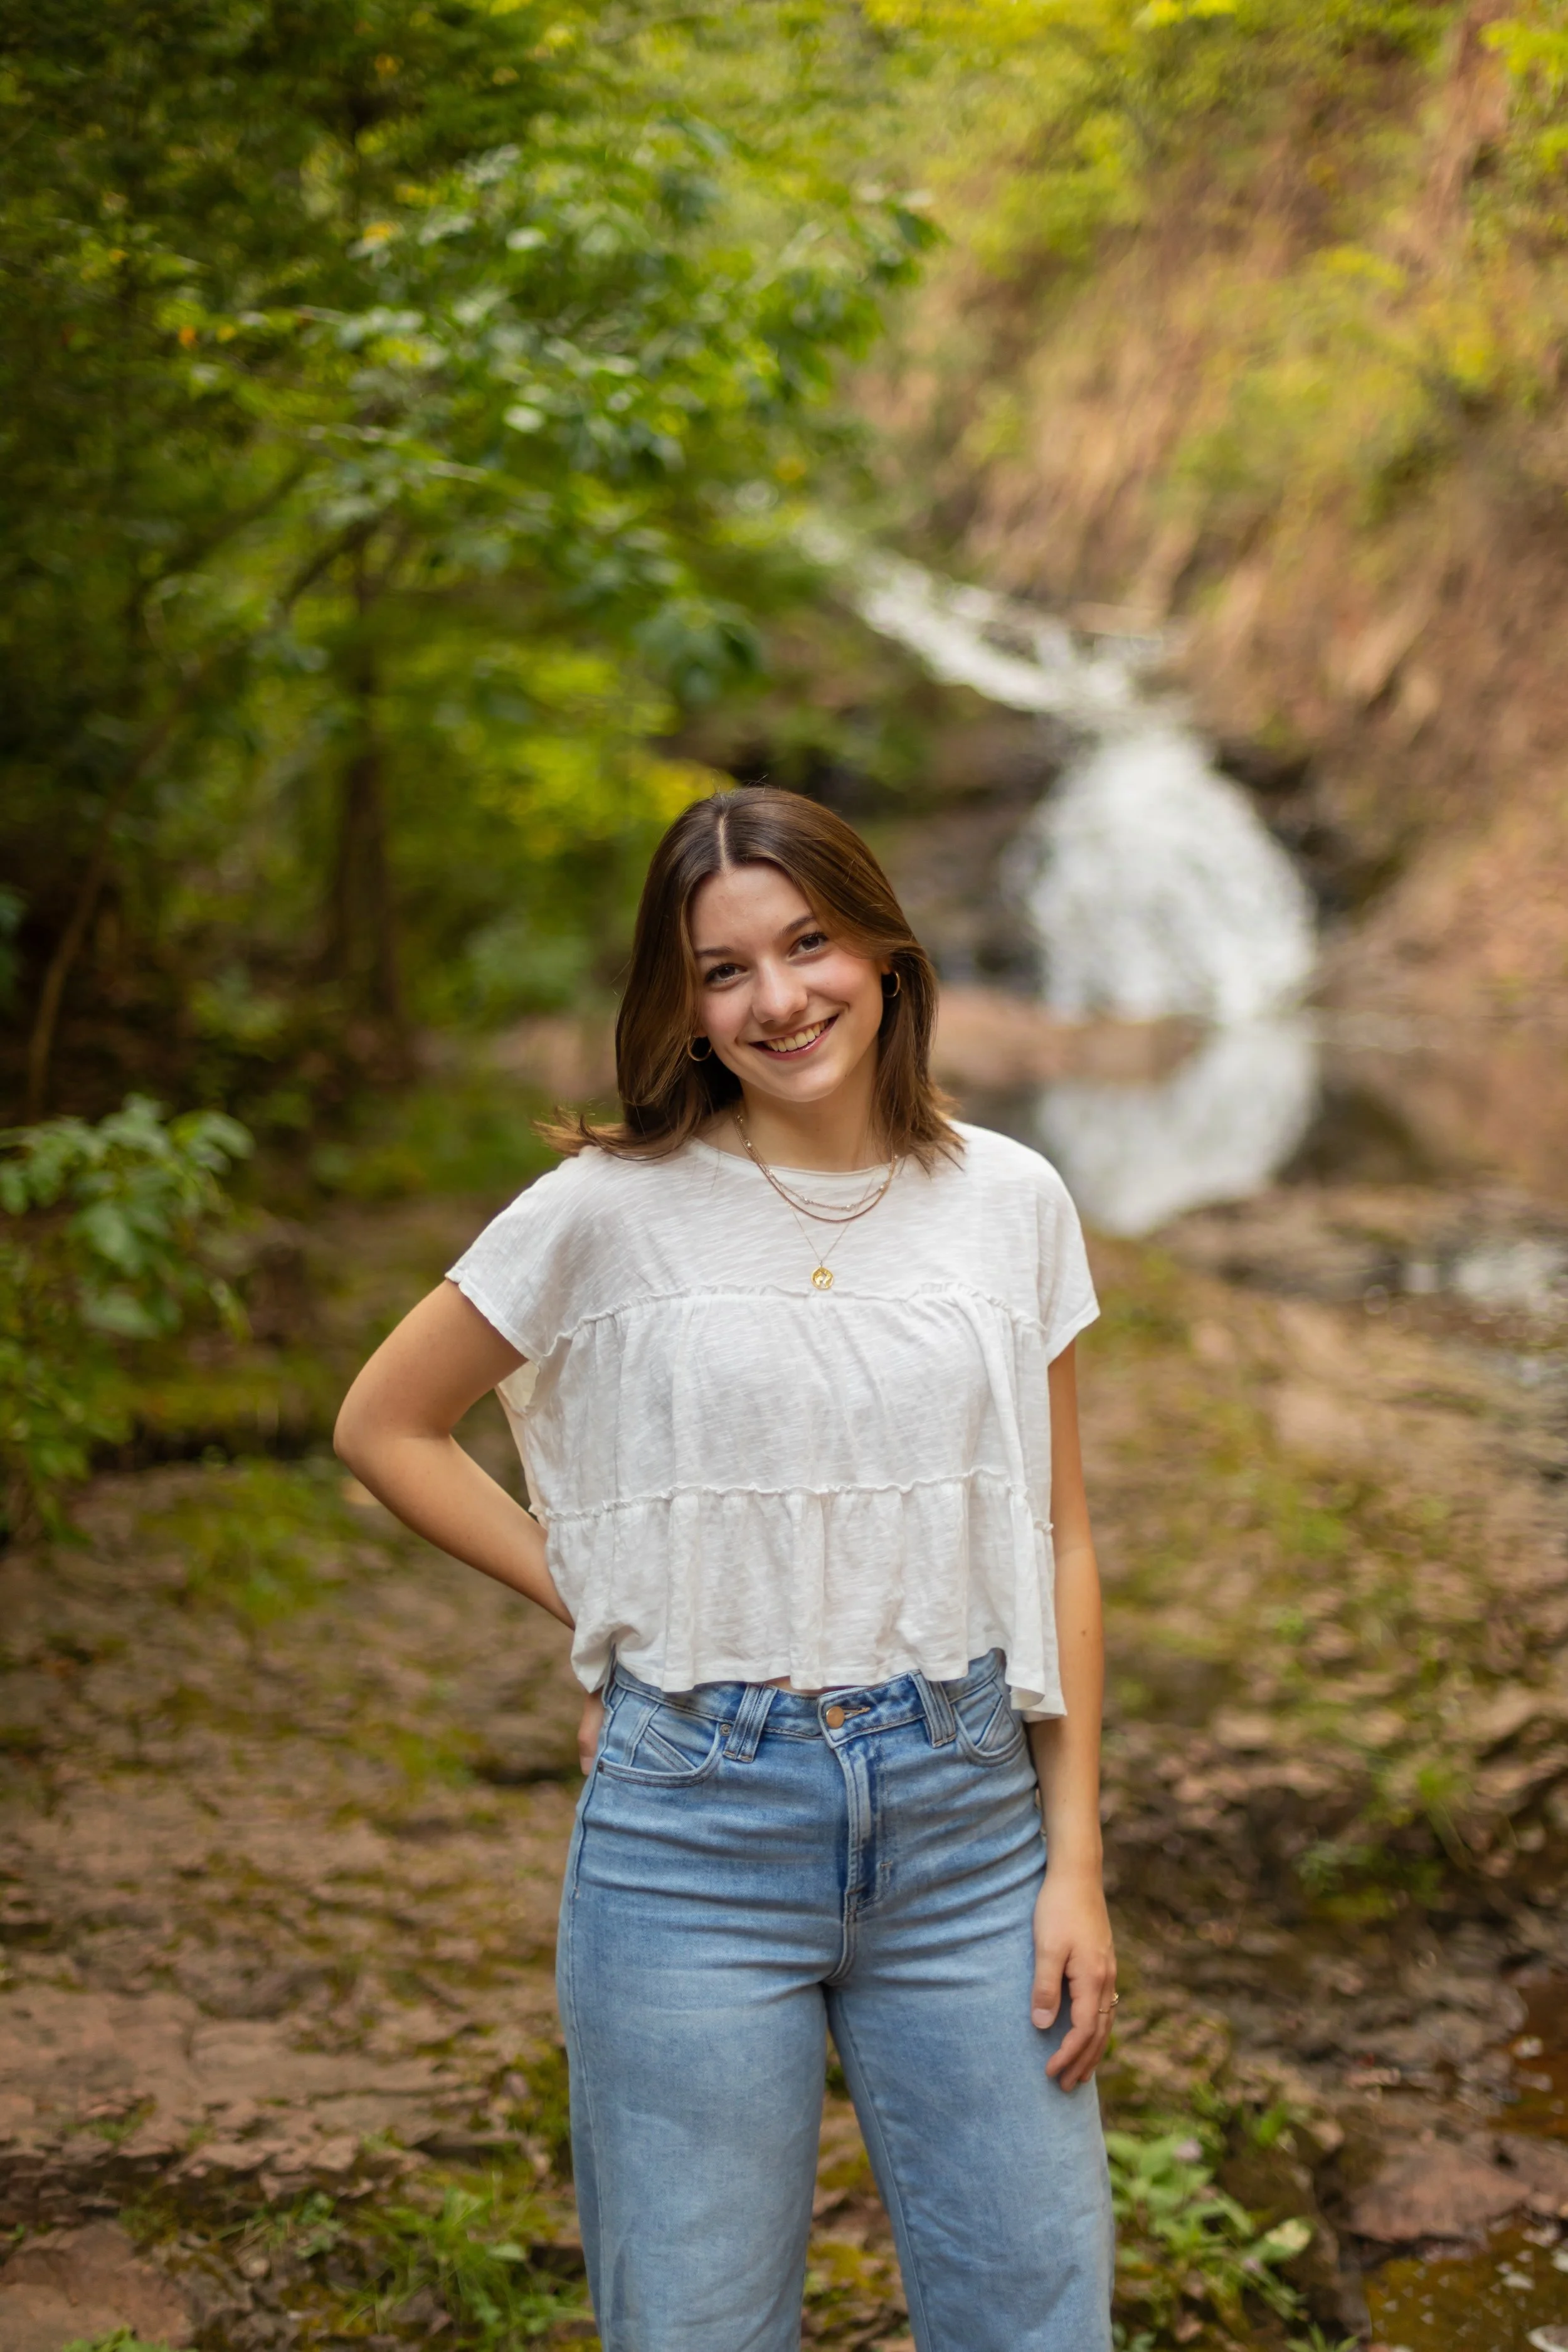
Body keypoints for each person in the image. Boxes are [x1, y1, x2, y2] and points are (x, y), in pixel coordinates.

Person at [334, 785, 1117, 2352]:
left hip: (969, 1830)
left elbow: (1057, 1535)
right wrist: (610, 1600)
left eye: (809, 943)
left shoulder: (1010, 1200)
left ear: (882, 950)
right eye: (723, 969)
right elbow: (385, 1424)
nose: (780, 999)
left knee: (1035, 2324)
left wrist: (1076, 1858)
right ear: (681, 1006)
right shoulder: (604, 1213)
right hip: (689, 1835)